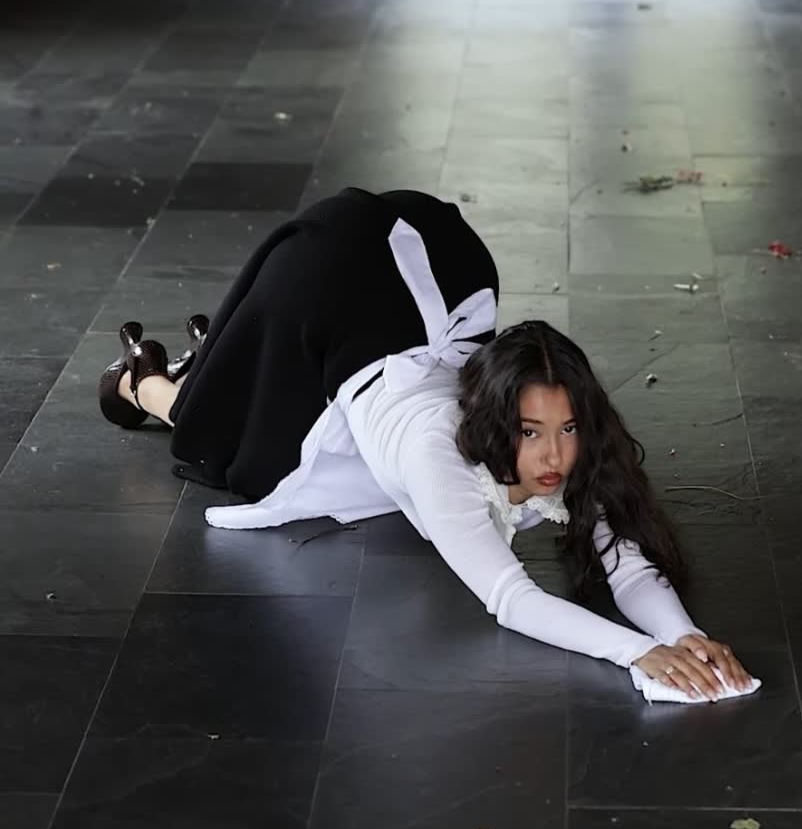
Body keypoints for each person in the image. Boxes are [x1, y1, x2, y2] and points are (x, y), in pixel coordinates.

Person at [98, 186, 757, 705]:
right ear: (498, 423)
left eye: (568, 429)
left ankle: (221, 355)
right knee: (219, 442)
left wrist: (685, 636)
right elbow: (510, 598)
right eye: (531, 433)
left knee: (235, 395)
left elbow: (629, 567)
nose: (555, 457)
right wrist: (636, 652)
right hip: (332, 273)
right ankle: (142, 377)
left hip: (439, 267)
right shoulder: (435, 454)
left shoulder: (568, 449)